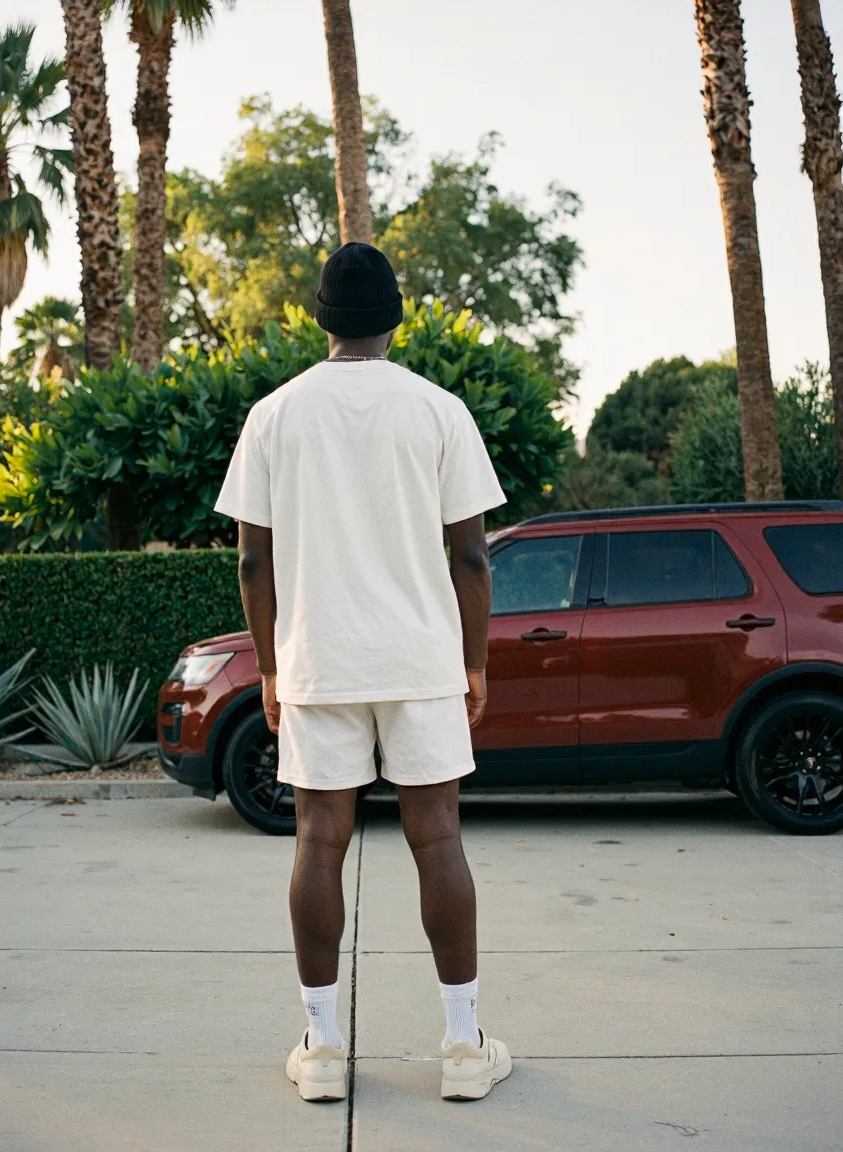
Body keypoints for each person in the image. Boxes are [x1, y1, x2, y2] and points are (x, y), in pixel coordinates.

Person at [214, 241, 511, 1103]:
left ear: (319, 317)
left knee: (317, 841)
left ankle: (321, 1051)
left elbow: (251, 566)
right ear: (395, 317)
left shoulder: (274, 415)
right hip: (420, 661)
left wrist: (270, 668)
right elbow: (472, 558)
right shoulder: (438, 410)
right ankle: (462, 1050)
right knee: (438, 839)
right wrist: (474, 662)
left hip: (319, 662)